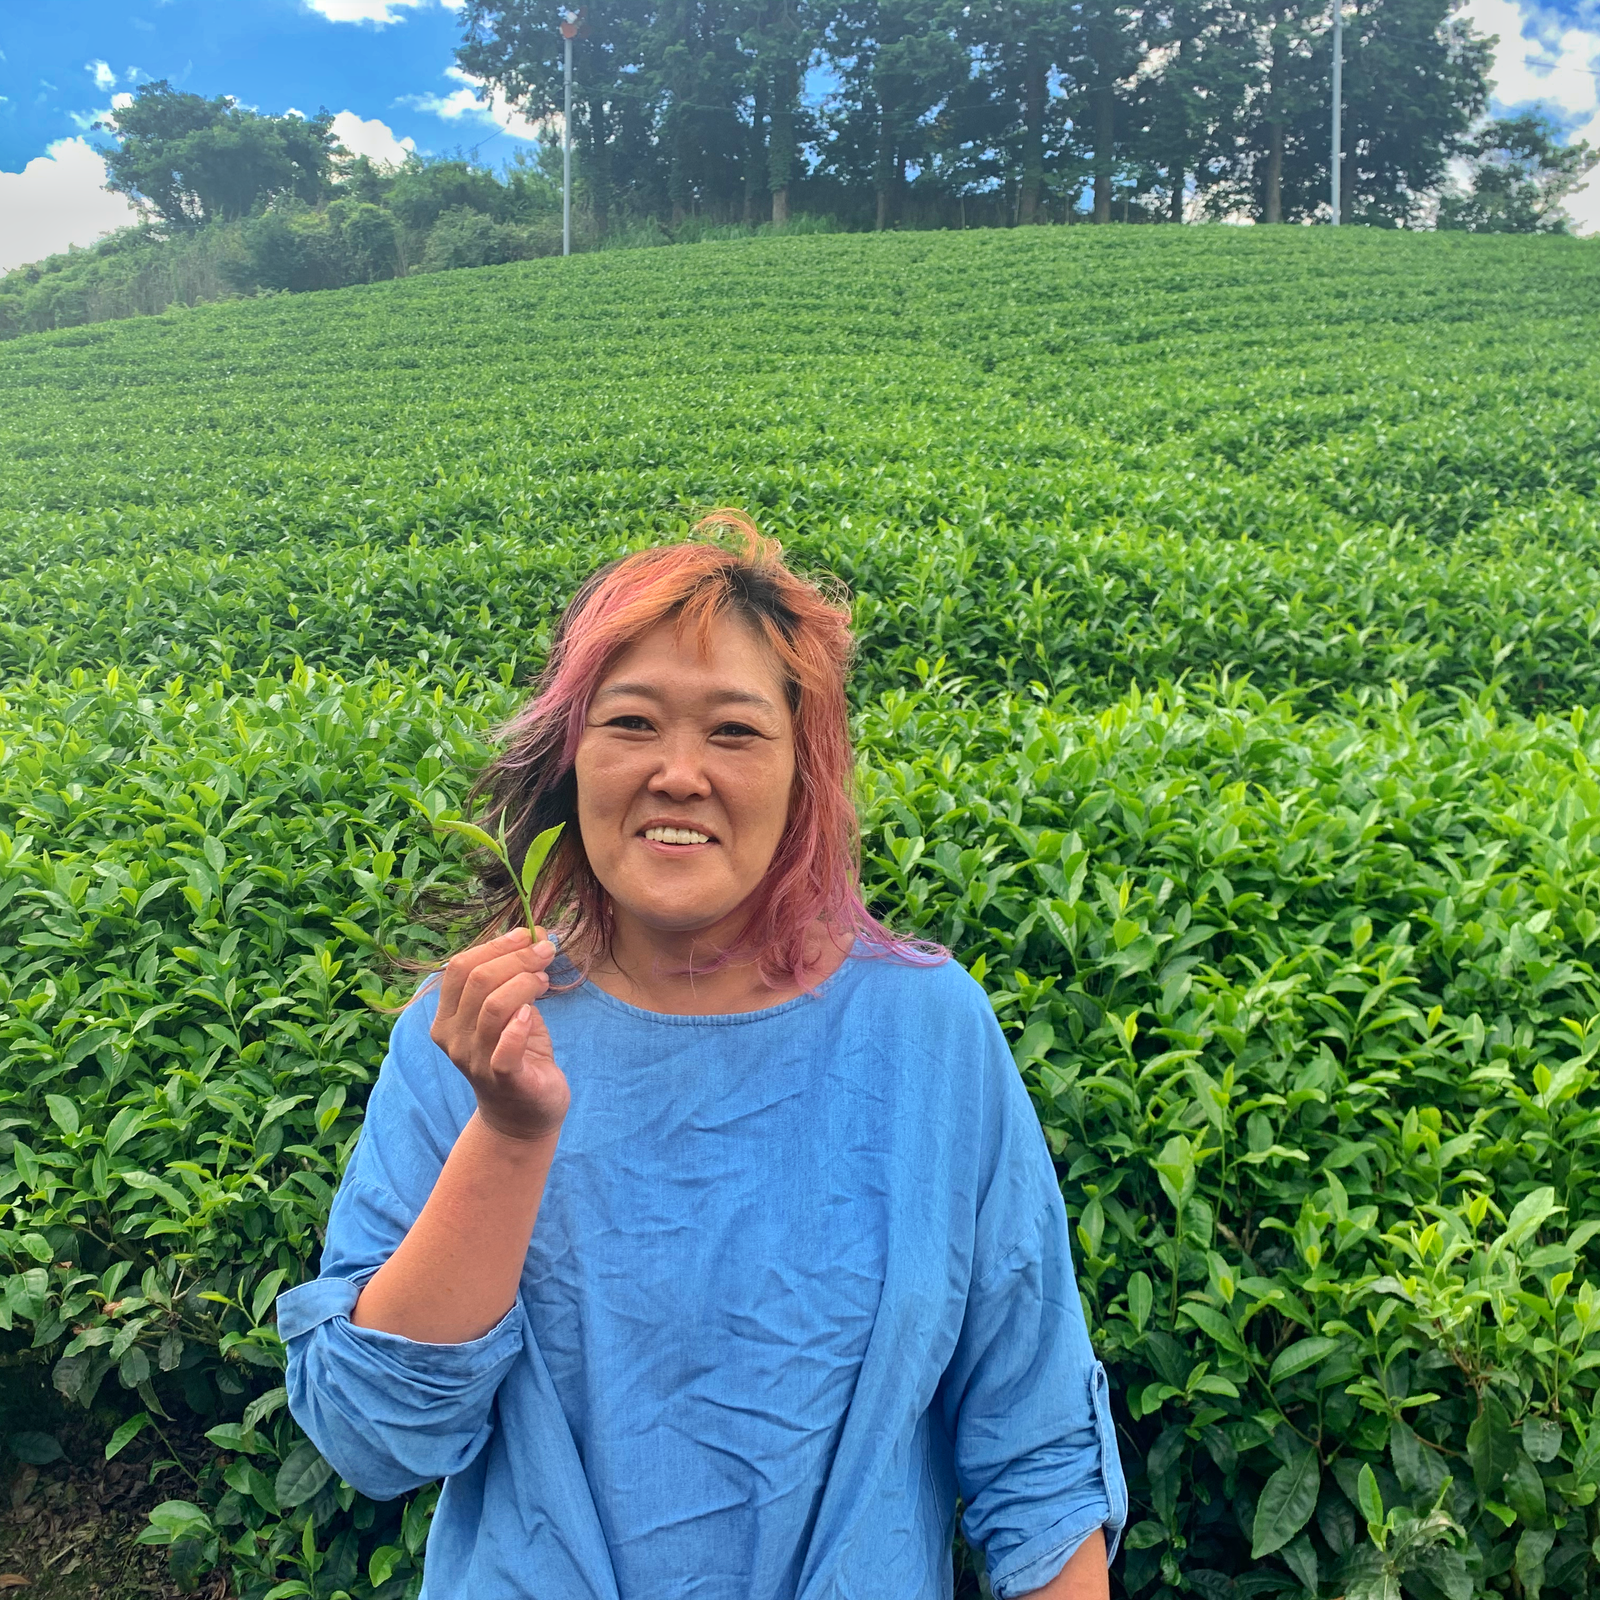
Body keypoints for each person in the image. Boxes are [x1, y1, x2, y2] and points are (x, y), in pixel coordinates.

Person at [278, 512, 1127, 1599]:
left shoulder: (928, 1033)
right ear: (571, 759)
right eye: (630, 721)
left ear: (802, 774)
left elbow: (1035, 1443)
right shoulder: (473, 1035)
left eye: (734, 731)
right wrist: (509, 1129)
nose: (679, 773)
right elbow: (378, 1435)